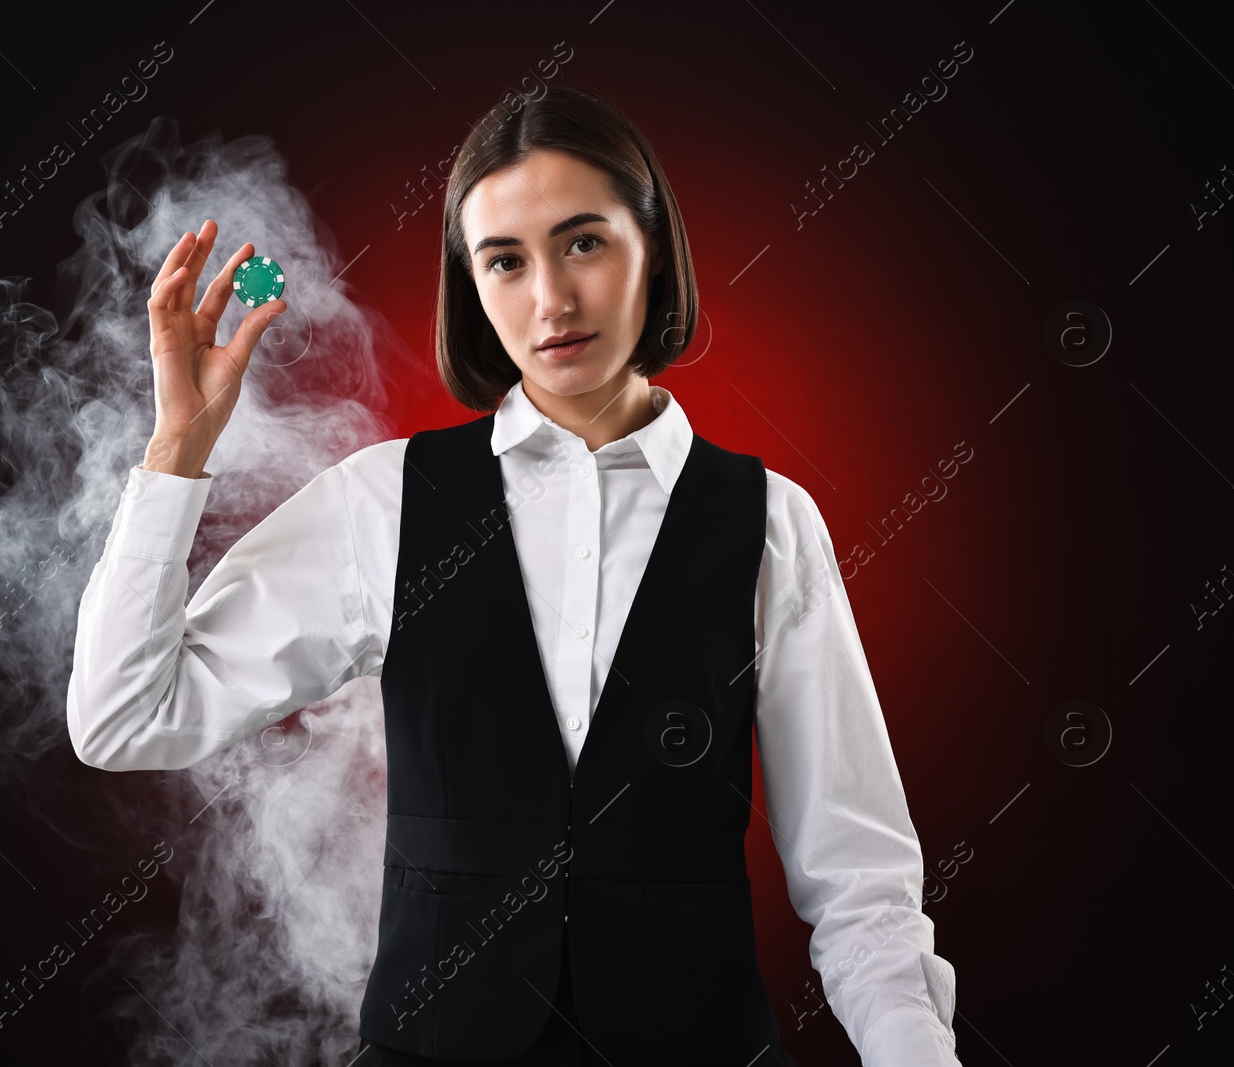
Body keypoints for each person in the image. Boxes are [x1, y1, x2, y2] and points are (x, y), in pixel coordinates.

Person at [68, 84, 962, 1067]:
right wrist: (179, 447)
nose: (551, 300)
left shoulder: (770, 520)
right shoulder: (383, 501)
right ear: (472, 283)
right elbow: (124, 716)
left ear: (653, 246)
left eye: (584, 241)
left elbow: (860, 884)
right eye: (505, 259)